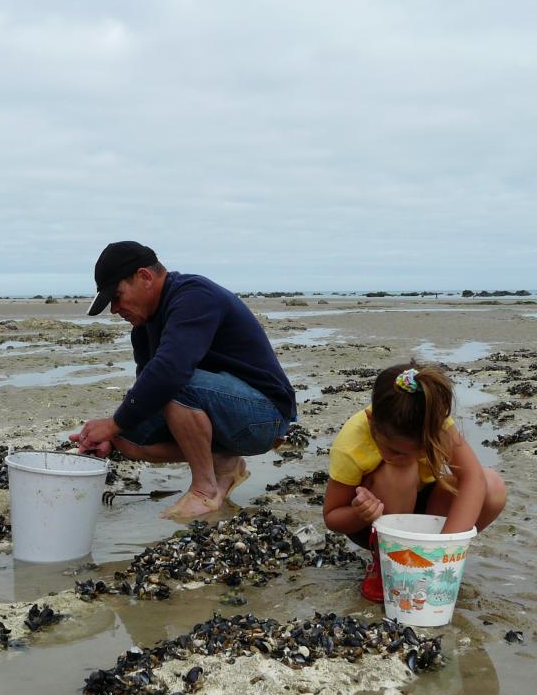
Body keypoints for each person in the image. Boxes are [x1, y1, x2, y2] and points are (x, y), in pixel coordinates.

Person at [70, 241, 297, 520]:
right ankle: (225, 465)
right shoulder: (143, 328)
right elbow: (147, 393)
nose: (114, 309)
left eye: (117, 296)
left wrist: (113, 423)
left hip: (265, 415)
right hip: (226, 413)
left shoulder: (194, 296)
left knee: (173, 384)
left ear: (144, 277)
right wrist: (112, 436)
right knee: (129, 438)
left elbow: (169, 373)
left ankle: (205, 489)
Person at [322, 362, 506, 600]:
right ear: (371, 421)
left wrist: (443, 549)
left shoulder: (436, 423)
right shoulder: (350, 445)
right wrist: (360, 513)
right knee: (400, 470)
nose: (409, 457)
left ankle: (433, 559)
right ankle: (387, 564)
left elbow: (474, 479)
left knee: (492, 487)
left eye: (422, 451)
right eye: (395, 450)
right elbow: (332, 517)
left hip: (427, 508)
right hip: (376, 519)